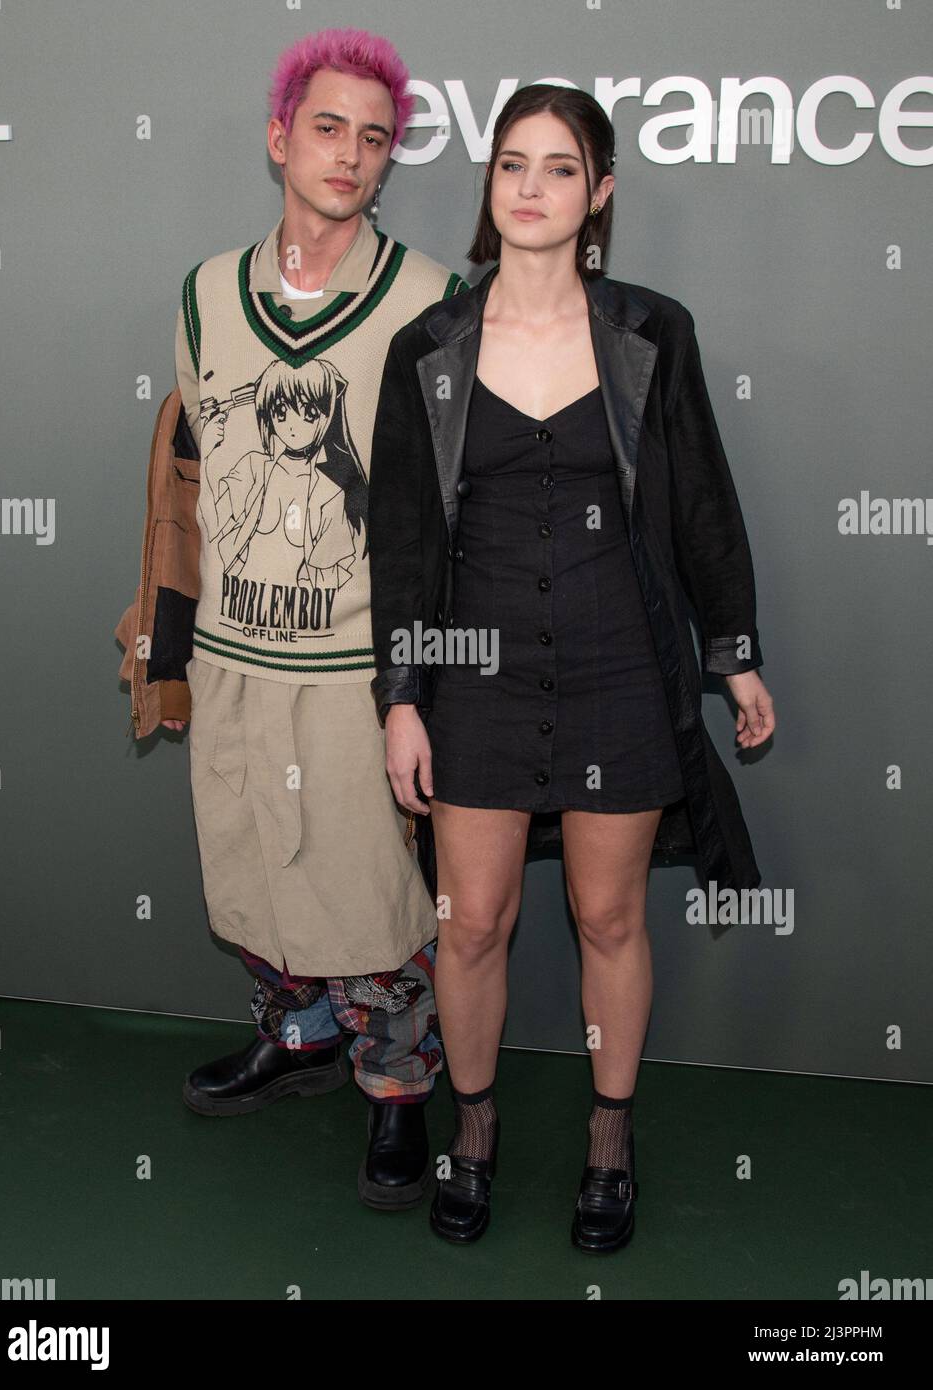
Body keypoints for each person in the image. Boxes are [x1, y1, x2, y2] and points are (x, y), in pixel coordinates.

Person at [368, 84, 775, 1248]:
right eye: (511, 166)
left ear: (600, 193)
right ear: (489, 189)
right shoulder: (430, 348)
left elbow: (701, 501)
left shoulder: (655, 333)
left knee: (608, 917)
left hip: (619, 667)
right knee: (474, 923)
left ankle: (608, 1136)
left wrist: (735, 657)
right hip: (472, 674)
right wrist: (402, 699)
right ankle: (477, 1128)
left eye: (558, 167)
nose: (531, 188)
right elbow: (400, 541)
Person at [162, 26, 468, 1210]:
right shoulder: (202, 292)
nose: (349, 155)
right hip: (237, 647)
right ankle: (297, 1040)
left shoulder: (434, 298)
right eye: (328, 128)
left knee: (369, 899)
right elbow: (194, 463)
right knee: (244, 875)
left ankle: (399, 1095)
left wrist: (423, 682)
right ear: (281, 135)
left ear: (392, 162)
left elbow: (452, 506)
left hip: (355, 666)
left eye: (374, 138)